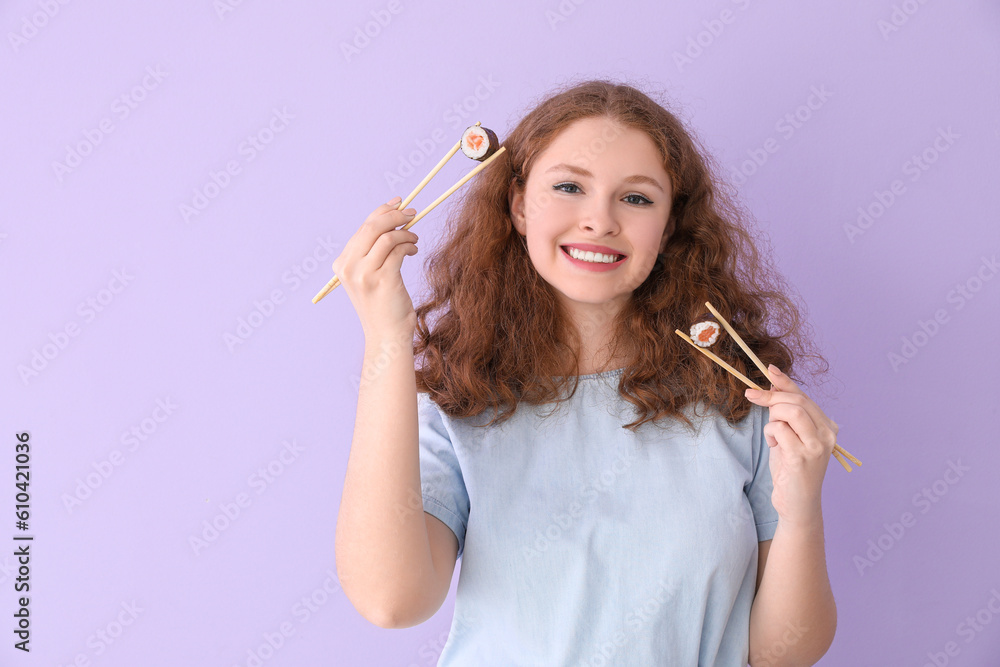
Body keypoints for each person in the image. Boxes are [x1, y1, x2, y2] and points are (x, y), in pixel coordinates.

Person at [333, 79, 839, 666]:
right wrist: (386, 340)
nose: (599, 221)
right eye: (569, 187)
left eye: (638, 198)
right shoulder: (458, 399)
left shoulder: (738, 395)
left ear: (670, 225)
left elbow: (784, 655)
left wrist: (801, 509)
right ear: (520, 205)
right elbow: (392, 602)